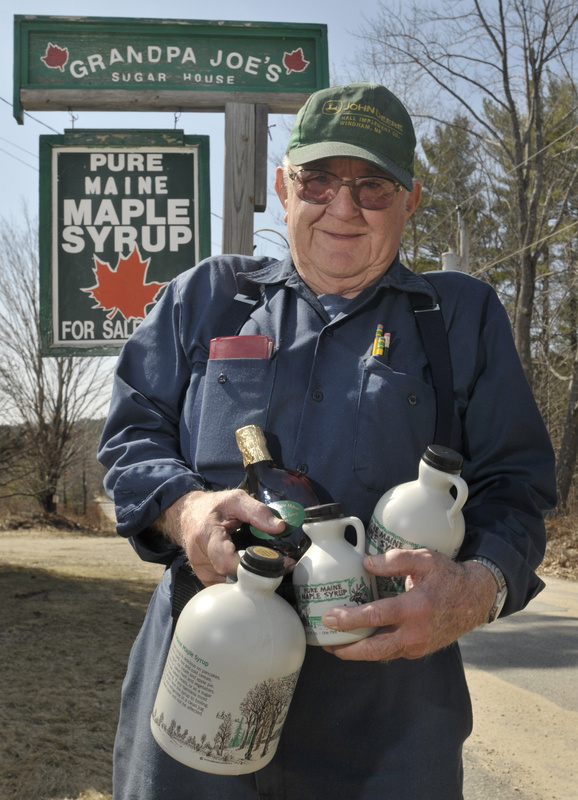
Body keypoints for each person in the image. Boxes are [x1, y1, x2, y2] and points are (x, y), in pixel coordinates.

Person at [98, 82, 556, 800]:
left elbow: (517, 488)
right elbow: (131, 440)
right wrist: (187, 512)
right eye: (319, 180)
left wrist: (476, 589)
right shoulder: (206, 297)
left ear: (411, 199)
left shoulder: (460, 317)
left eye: (373, 186)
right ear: (284, 185)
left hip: (389, 721)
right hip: (200, 682)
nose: (343, 207)